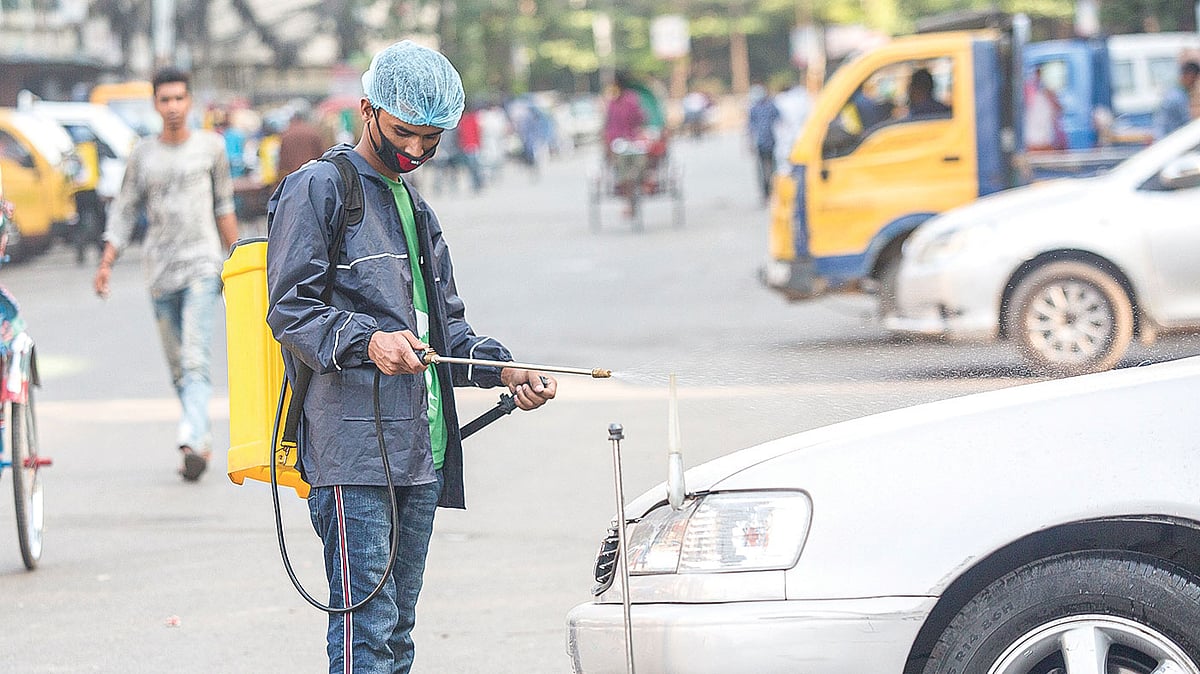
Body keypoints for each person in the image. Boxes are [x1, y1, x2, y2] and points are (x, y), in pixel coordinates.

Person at [264, 40, 557, 673]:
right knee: (365, 635)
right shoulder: (318, 189)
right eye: (405, 134)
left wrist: (505, 369)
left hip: (420, 454)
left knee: (397, 634)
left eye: (431, 139)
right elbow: (289, 311)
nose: (417, 151)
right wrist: (369, 341)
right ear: (367, 111)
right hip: (354, 457)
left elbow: (446, 330)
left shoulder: (417, 210)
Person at [93, 67, 239, 482]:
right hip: (158, 272)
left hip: (202, 266)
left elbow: (224, 207)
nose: (173, 107)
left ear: (190, 101)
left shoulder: (211, 148)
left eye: (179, 98)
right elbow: (123, 211)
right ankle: (201, 440)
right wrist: (106, 262)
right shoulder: (143, 155)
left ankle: (191, 437)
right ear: (155, 104)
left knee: (195, 360)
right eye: (165, 99)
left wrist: (242, 262)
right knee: (178, 367)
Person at [602, 71, 649, 217]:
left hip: (631, 141)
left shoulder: (629, 100)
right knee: (624, 166)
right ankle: (630, 197)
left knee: (636, 163)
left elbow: (640, 118)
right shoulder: (615, 102)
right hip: (619, 143)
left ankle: (637, 184)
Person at [277, 107, 329, 185]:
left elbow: (283, 161)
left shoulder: (286, 134)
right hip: (311, 176)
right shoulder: (313, 133)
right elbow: (322, 156)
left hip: (292, 177)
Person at [746, 84, 779, 205]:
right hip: (762, 143)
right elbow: (750, 127)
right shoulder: (754, 109)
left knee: (772, 169)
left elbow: (780, 121)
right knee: (764, 170)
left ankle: (773, 193)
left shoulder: (771, 106)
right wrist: (749, 143)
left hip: (772, 142)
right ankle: (766, 194)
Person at [1024, 65, 1066, 151]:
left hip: (1045, 140)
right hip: (1033, 141)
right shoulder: (1030, 94)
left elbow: (1059, 110)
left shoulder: (1047, 95)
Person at [1155, 61, 1199, 139]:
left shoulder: (1175, 93)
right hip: (1170, 142)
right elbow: (1187, 125)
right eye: (1195, 79)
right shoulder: (1177, 98)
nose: (1195, 83)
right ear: (1190, 76)